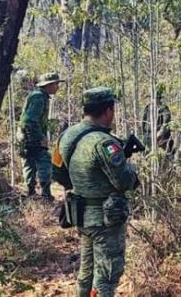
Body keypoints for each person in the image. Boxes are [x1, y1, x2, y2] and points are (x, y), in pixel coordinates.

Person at [58, 87, 139, 297]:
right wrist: (131, 170)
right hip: (105, 220)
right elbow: (125, 182)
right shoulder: (105, 143)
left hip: (80, 215)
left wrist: (82, 185)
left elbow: (56, 172)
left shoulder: (67, 136)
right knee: (107, 276)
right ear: (108, 110)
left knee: (87, 273)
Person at [18, 72, 64, 200]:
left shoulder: (38, 96)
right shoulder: (38, 97)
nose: (57, 87)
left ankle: (31, 192)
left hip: (25, 136)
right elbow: (30, 120)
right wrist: (40, 137)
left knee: (29, 163)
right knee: (44, 161)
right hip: (31, 136)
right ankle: (45, 194)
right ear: (48, 85)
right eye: (56, 84)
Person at [140, 85, 173, 155]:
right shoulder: (148, 108)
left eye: (155, 98)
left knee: (163, 157)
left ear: (158, 98)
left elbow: (166, 122)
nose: (153, 100)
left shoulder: (163, 108)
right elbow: (143, 123)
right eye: (151, 98)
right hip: (148, 136)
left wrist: (160, 133)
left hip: (160, 138)